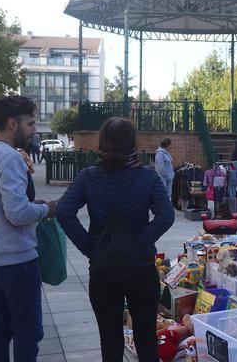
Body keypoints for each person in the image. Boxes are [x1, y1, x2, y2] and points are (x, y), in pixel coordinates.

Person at [56, 117, 175, 362]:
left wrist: (92, 248)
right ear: (133, 143)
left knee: (109, 342)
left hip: (103, 270)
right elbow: (166, 215)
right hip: (141, 268)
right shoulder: (148, 177)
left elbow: (64, 211)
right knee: (146, 341)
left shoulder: (88, 177)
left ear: (102, 142)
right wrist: (142, 242)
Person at [0, 96, 57, 362]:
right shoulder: (9, 158)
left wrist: (30, 204)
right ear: (12, 124)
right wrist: (46, 209)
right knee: (28, 333)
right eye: (30, 123)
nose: (33, 130)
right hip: (17, 260)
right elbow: (16, 213)